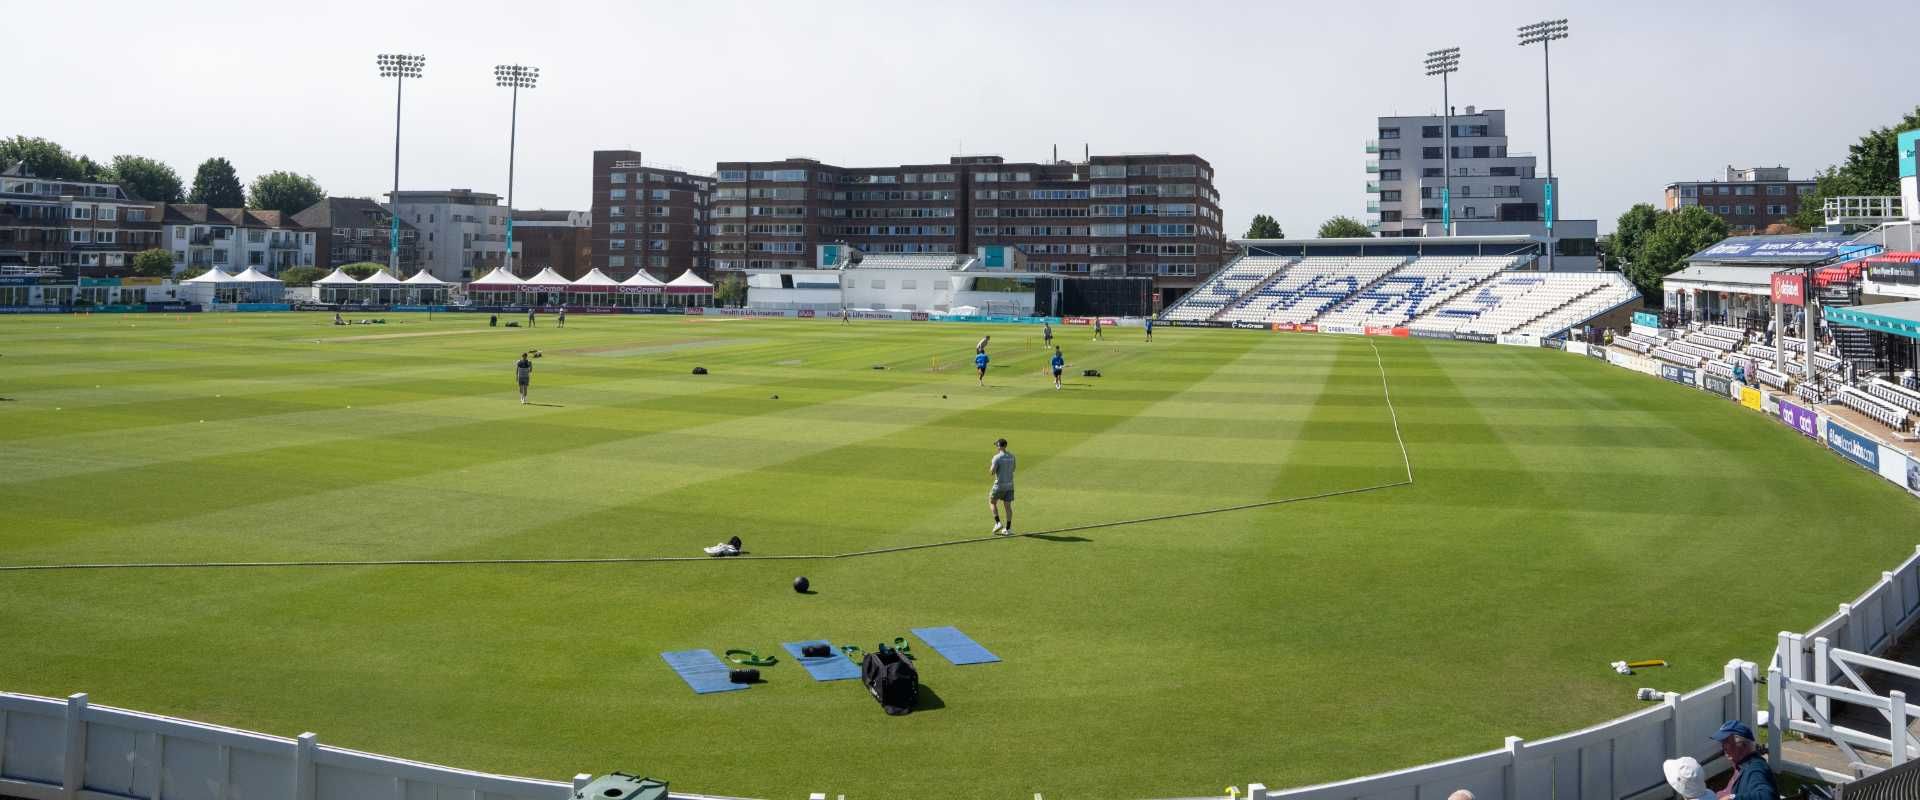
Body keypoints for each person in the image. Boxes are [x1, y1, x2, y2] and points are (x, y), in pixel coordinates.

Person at [1710, 720, 1775, 800]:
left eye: (1726, 742)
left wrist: (1733, 798)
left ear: (1743, 745)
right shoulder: (1742, 765)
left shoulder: (1754, 769)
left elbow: (1766, 796)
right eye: (1722, 742)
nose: (1723, 747)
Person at [988, 438, 1015, 536]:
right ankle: (1008, 528)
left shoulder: (997, 457)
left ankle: (998, 523)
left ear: (999, 446)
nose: (996, 447)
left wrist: (991, 466)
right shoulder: (1012, 456)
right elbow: (1013, 469)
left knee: (992, 502)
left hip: (999, 485)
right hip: (1010, 485)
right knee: (1008, 506)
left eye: (997, 445)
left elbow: (992, 472)